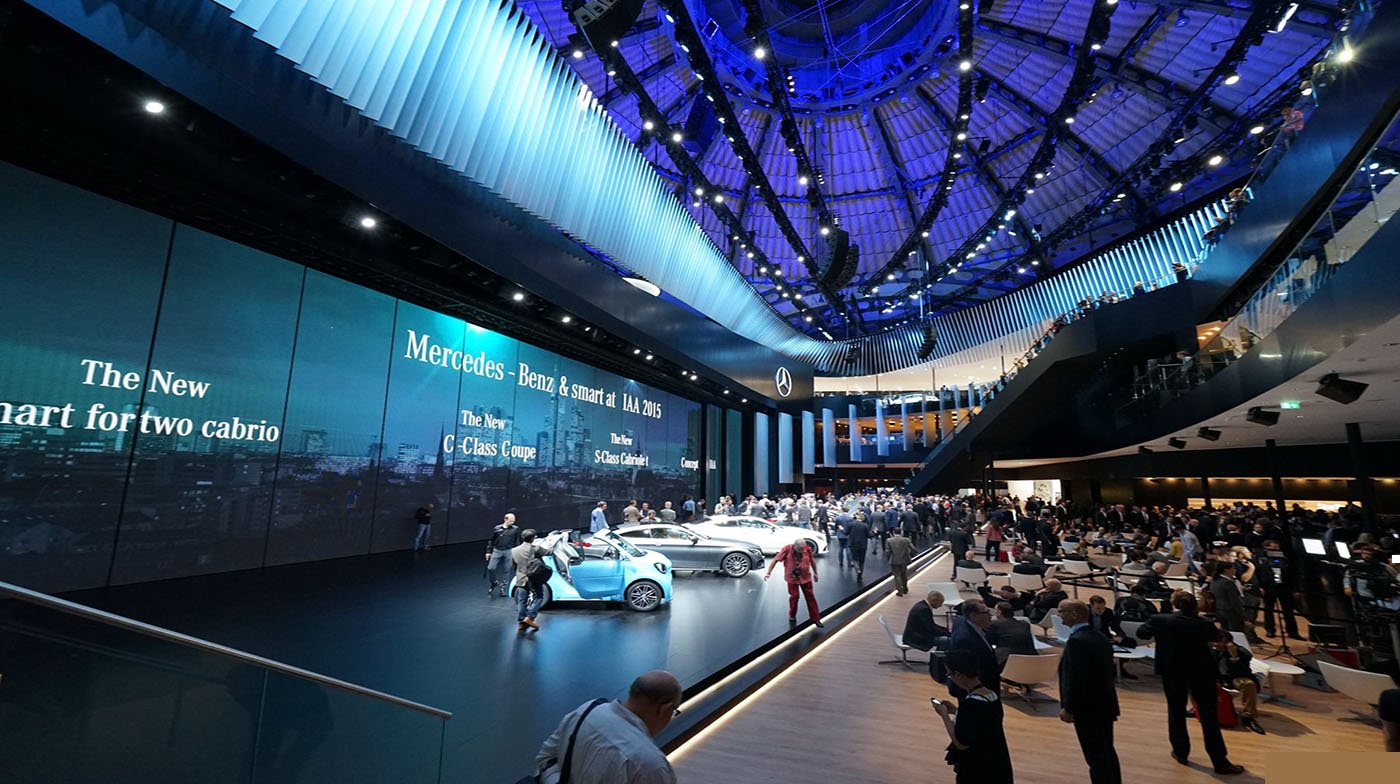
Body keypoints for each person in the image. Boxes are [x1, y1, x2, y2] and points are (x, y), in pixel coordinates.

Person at [1136, 591, 1245, 775]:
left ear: (1175, 604)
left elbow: (1142, 633)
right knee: (1209, 717)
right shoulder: (1203, 623)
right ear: (1193, 605)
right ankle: (1220, 762)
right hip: (1201, 673)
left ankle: (1181, 752)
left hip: (1172, 673)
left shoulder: (1160, 620)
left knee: (1176, 712)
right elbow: (1218, 637)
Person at [531, 670, 682, 784]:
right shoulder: (651, 766)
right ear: (665, 709)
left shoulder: (587, 710)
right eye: (674, 711)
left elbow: (545, 757)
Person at [1057, 599, 1122, 784]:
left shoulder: (1077, 641)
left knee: (1095, 756)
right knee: (1106, 752)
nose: (1059, 615)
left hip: (1087, 709)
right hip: (1104, 704)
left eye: (1061, 611)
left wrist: (1069, 708)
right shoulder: (1099, 636)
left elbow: (1076, 679)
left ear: (1074, 614)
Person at [932, 649, 1013, 784]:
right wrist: (957, 711)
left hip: (977, 769)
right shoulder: (991, 696)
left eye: (950, 674)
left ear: (958, 674)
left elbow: (961, 743)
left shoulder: (970, 704)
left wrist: (944, 715)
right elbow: (981, 722)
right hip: (997, 762)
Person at [1213, 630, 1265, 734]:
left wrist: (1234, 657)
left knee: (1249, 684)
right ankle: (1198, 709)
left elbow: (1242, 671)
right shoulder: (1213, 649)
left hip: (1235, 677)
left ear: (1228, 643)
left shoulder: (1242, 653)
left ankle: (1248, 717)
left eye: (1219, 642)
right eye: (1215, 641)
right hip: (1217, 677)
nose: (1216, 644)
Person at [764, 537, 823, 628]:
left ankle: (816, 618)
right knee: (794, 597)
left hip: (806, 577)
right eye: (799, 550)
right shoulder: (787, 549)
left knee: (810, 597)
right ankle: (792, 615)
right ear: (794, 547)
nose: (801, 552)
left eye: (802, 550)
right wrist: (768, 572)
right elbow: (775, 560)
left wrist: (815, 573)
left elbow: (812, 561)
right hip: (792, 578)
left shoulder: (807, 550)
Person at [947, 600, 1000, 699]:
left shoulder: (961, 621)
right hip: (977, 691)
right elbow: (967, 672)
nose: (991, 615)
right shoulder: (965, 639)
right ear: (973, 616)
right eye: (986, 613)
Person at [511, 529, 550, 632]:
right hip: (534, 578)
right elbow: (550, 552)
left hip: (521, 578)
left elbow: (513, 566)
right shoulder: (536, 549)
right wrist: (550, 544)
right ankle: (530, 617)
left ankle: (521, 622)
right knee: (539, 596)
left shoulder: (514, 550)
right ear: (532, 539)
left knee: (522, 601)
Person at [485, 512, 522, 598]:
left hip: (509, 551)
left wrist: (517, 552)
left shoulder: (515, 529)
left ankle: (503, 588)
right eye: (511, 521)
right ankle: (494, 582)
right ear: (505, 519)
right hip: (497, 550)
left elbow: (517, 541)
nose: (512, 523)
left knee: (507, 569)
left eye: (513, 521)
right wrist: (488, 551)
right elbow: (491, 540)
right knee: (491, 568)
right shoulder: (497, 528)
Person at [887, 528, 915, 596]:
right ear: (901, 532)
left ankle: (900, 591)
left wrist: (888, 558)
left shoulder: (889, 540)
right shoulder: (906, 540)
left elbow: (887, 551)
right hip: (904, 560)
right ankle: (905, 589)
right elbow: (913, 548)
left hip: (894, 560)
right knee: (904, 574)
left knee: (897, 576)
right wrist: (909, 554)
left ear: (893, 532)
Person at [845, 514, 872, 580]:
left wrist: (841, 529)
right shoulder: (866, 526)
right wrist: (874, 532)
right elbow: (869, 536)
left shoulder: (851, 524)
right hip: (863, 545)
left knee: (854, 559)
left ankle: (858, 570)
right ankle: (860, 574)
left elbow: (845, 533)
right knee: (862, 560)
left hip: (853, 544)